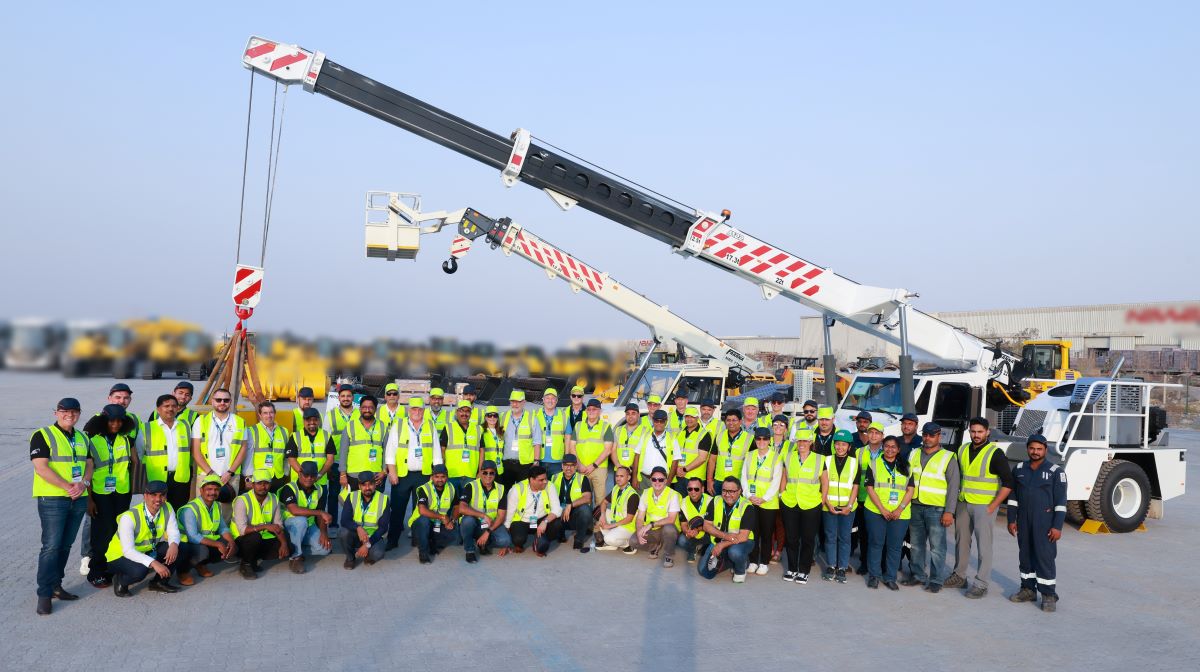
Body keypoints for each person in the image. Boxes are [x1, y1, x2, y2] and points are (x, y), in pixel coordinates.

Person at [31, 397, 92, 614]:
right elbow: (41, 468)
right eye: (65, 411)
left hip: (78, 498)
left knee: (66, 545)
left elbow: (90, 463)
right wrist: (68, 486)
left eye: (74, 411)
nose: (70, 415)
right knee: (51, 546)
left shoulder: (83, 437)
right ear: (56, 413)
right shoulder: (43, 435)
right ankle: (44, 593)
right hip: (53, 499)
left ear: (79, 414)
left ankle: (56, 585)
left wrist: (84, 483)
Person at [944, 417, 1014, 598]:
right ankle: (959, 576)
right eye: (973, 431)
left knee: (984, 546)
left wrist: (993, 506)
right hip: (963, 502)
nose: (976, 435)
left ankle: (981, 583)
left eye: (980, 432)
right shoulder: (962, 449)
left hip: (984, 506)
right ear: (969, 432)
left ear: (987, 432)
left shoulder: (995, 453)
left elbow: (1008, 483)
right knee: (961, 542)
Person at [1007, 434, 1066, 612]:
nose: (1035, 452)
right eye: (1032, 448)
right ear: (1027, 449)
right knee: (1025, 555)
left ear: (1046, 450)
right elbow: (1013, 498)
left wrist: (1057, 526)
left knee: (1044, 557)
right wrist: (1011, 519)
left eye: (1039, 449)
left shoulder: (1056, 472)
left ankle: (1048, 595)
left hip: (1045, 522)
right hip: (1023, 521)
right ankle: (1028, 589)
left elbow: (1061, 502)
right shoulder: (1019, 469)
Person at [82, 404, 137, 587]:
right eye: (112, 421)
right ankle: (96, 571)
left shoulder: (126, 439)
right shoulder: (92, 440)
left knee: (119, 531)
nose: (116, 424)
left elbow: (134, 463)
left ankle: (113, 567)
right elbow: (87, 470)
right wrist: (89, 499)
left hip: (122, 492)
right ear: (103, 421)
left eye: (120, 421)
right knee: (101, 533)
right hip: (100, 493)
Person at [903, 422, 959, 593]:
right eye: (925, 435)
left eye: (931, 435)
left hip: (936, 509)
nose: (927, 438)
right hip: (915, 505)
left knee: (937, 547)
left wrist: (949, 512)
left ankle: (936, 579)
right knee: (916, 545)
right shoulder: (914, 453)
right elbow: (906, 478)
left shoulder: (948, 457)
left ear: (939, 436)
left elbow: (953, 486)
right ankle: (918, 575)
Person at [384, 397, 445, 551]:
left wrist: (436, 474)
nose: (417, 412)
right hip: (402, 475)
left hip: (424, 475)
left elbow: (437, 452)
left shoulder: (430, 425)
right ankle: (392, 540)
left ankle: (418, 538)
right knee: (397, 509)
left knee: (420, 509)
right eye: (413, 409)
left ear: (424, 410)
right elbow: (390, 450)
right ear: (408, 410)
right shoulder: (399, 425)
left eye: (420, 409)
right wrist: (392, 472)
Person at [105, 480, 180, 598]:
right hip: (119, 555)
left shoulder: (167, 507)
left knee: (176, 549)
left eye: (162, 495)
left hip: (146, 550)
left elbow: (173, 531)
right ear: (145, 496)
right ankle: (120, 580)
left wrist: (174, 545)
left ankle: (158, 583)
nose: (158, 499)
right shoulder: (129, 517)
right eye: (153, 495)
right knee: (140, 571)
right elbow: (128, 551)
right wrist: (154, 563)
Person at [864, 435, 915, 590]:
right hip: (875, 511)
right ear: (882, 447)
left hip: (900, 514)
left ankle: (890, 577)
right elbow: (869, 488)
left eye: (893, 447)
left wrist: (899, 509)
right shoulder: (874, 464)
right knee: (876, 543)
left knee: (895, 546)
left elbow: (910, 490)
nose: (890, 449)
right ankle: (874, 576)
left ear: (898, 449)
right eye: (886, 446)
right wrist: (883, 509)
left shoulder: (906, 467)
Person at [780, 429, 824, 584]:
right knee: (791, 538)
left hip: (811, 504)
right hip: (790, 502)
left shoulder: (819, 459)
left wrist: (822, 500)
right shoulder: (788, 456)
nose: (802, 444)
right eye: (799, 441)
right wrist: (781, 495)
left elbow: (825, 481)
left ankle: (804, 571)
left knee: (808, 539)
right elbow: (784, 477)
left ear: (811, 442)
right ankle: (792, 569)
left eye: (805, 441)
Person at [176, 474, 235, 585]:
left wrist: (232, 542)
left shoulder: (216, 505)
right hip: (185, 544)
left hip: (203, 541)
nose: (213, 492)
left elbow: (223, 527)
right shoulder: (190, 509)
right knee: (203, 551)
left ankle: (200, 565)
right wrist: (218, 544)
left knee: (228, 544)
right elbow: (193, 537)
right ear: (201, 490)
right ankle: (183, 570)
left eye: (216, 489)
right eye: (209, 489)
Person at [190, 388, 245, 506]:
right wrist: (210, 473)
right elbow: (195, 451)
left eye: (226, 400)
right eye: (218, 400)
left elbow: (243, 449)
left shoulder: (240, 422)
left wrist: (230, 472)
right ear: (212, 401)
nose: (222, 403)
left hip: (230, 477)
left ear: (230, 402)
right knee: (204, 510)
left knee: (227, 512)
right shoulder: (201, 421)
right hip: (206, 475)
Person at [231, 471, 289, 580]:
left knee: (287, 542)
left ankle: (253, 560)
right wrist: (265, 526)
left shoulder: (274, 498)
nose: (263, 487)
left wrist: (284, 544)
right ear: (253, 485)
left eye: (266, 483)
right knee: (254, 538)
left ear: (270, 484)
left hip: (261, 536)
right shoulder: (242, 500)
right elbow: (242, 530)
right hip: (241, 540)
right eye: (259, 483)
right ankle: (246, 564)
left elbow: (278, 526)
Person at [698, 476, 756, 583]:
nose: (727, 494)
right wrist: (725, 536)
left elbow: (743, 536)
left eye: (732, 491)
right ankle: (733, 561)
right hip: (719, 540)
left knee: (735, 552)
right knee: (705, 572)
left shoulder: (747, 506)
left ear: (739, 491)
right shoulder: (716, 500)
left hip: (742, 542)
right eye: (724, 490)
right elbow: (706, 526)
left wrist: (722, 545)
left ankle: (740, 569)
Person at [741, 426, 783, 575]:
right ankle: (753, 561)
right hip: (751, 501)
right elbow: (743, 477)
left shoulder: (776, 457)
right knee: (753, 533)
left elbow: (776, 481)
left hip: (768, 503)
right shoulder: (749, 455)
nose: (761, 441)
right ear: (755, 440)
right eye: (758, 438)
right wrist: (748, 495)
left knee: (766, 534)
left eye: (765, 439)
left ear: (769, 440)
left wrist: (764, 498)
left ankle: (764, 562)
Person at [820, 430, 859, 583]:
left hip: (847, 508)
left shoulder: (854, 462)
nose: (840, 447)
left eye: (843, 444)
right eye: (837, 444)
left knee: (845, 538)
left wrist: (849, 506)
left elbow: (855, 486)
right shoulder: (826, 460)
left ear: (849, 447)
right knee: (830, 537)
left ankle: (842, 567)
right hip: (829, 506)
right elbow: (822, 484)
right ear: (833, 445)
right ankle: (831, 565)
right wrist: (827, 503)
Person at [280, 462, 333, 573]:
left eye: (312, 475)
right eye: (306, 475)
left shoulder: (320, 490)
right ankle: (296, 557)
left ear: (316, 476)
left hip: (309, 526)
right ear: (299, 473)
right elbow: (294, 510)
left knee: (325, 549)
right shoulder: (289, 488)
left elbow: (321, 515)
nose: (309, 478)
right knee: (301, 521)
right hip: (290, 526)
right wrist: (320, 513)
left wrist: (324, 533)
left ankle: (294, 547)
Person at [457, 460, 512, 562]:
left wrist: (488, 532)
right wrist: (483, 515)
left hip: (491, 523)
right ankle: (470, 551)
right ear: (480, 472)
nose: (488, 475)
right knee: (467, 521)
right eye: (485, 472)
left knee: (505, 541)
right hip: (475, 522)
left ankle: (484, 542)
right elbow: (462, 508)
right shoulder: (471, 486)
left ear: (495, 474)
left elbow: (501, 516)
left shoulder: (501, 489)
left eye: (491, 473)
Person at [852, 421, 886, 573]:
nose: (873, 435)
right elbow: (854, 476)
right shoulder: (859, 452)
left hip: (880, 499)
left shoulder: (887, 452)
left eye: (877, 433)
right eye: (871, 432)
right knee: (864, 534)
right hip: (863, 498)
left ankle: (881, 564)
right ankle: (864, 563)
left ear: (882, 436)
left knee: (879, 535)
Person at [506, 466, 563, 556]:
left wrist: (545, 521)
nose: (545, 482)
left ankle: (541, 540)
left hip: (541, 520)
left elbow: (557, 509)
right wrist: (506, 539)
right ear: (532, 480)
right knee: (518, 539)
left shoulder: (550, 486)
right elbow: (509, 512)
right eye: (541, 480)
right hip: (522, 521)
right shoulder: (517, 489)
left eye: (545, 478)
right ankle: (519, 544)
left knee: (556, 525)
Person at [409, 464, 460, 564]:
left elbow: (457, 506)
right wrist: (442, 517)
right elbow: (422, 510)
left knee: (456, 536)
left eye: (443, 477)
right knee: (424, 520)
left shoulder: (451, 488)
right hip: (420, 524)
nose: (440, 479)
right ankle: (423, 553)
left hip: (438, 524)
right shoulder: (424, 488)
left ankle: (431, 542)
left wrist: (452, 521)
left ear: (447, 477)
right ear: (432, 477)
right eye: (437, 477)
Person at [340, 472, 390, 569]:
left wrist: (367, 544)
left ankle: (367, 553)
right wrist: (358, 528)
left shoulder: (384, 499)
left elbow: (383, 527)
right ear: (359, 486)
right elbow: (344, 520)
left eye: (370, 484)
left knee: (378, 553)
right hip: (356, 534)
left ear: (375, 484)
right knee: (343, 532)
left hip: (373, 536)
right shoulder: (351, 496)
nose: (367, 488)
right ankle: (350, 558)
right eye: (364, 485)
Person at [634, 466, 681, 567]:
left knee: (669, 529)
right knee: (633, 541)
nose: (657, 482)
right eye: (654, 479)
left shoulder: (673, 494)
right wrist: (639, 532)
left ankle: (669, 555)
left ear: (666, 481)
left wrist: (651, 525)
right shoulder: (646, 493)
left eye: (661, 479)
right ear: (650, 480)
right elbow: (640, 518)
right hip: (653, 530)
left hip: (668, 528)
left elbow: (671, 519)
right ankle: (655, 546)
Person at [325, 383, 359, 520]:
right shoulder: (330, 415)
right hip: (336, 461)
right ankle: (333, 523)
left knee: (354, 494)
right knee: (334, 493)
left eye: (348, 396)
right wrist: (328, 464)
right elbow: (326, 440)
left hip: (355, 461)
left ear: (353, 398)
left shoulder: (359, 413)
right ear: (338, 398)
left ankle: (352, 521)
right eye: (343, 396)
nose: (346, 398)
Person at [339, 394, 386, 492]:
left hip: (375, 476)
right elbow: (343, 452)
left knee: (376, 501)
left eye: (370, 407)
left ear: (375, 409)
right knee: (353, 501)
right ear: (360, 408)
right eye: (364, 407)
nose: (367, 410)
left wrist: (384, 471)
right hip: (353, 476)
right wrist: (342, 474)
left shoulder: (382, 426)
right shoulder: (350, 425)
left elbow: (387, 451)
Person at [569, 398, 614, 500]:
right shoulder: (578, 425)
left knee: (600, 500)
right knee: (582, 500)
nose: (591, 411)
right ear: (586, 411)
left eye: (594, 409)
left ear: (600, 411)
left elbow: (608, 450)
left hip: (599, 469)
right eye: (589, 409)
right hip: (581, 468)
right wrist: (579, 465)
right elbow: (572, 446)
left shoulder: (606, 427)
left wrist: (593, 465)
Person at [550, 454, 593, 553]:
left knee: (585, 510)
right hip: (559, 512)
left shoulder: (582, 478)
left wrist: (570, 505)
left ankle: (579, 539)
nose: (568, 468)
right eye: (566, 465)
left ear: (576, 466)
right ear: (562, 466)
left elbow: (587, 498)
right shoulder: (553, 477)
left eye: (572, 465)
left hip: (574, 513)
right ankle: (560, 533)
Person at [245, 400, 291, 492]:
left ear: (275, 413)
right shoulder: (252, 431)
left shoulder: (284, 431)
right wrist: (248, 477)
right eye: (265, 413)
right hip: (260, 478)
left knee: (276, 500)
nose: (269, 416)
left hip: (278, 476)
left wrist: (286, 473)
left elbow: (286, 455)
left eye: (271, 412)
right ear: (260, 415)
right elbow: (248, 457)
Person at [285, 408, 336, 489]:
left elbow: (330, 459)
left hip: (320, 482)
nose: (312, 422)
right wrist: (304, 477)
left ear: (319, 421)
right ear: (303, 421)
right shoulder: (295, 436)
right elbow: (291, 459)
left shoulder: (326, 435)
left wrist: (319, 475)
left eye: (315, 420)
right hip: (299, 483)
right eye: (308, 420)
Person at [501, 390, 543, 487]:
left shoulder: (532, 418)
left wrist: (536, 461)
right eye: (512, 401)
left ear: (524, 402)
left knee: (524, 491)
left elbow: (537, 442)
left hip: (525, 465)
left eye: (518, 402)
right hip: (507, 463)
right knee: (507, 491)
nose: (515, 404)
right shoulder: (503, 416)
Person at [595, 465, 639, 552]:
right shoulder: (616, 488)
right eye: (617, 476)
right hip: (616, 520)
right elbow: (604, 502)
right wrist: (603, 516)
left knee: (608, 539)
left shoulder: (632, 495)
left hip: (627, 526)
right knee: (597, 511)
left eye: (621, 476)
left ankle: (627, 543)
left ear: (628, 477)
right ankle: (614, 541)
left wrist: (609, 526)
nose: (618, 479)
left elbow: (629, 519)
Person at [708, 408, 752, 496]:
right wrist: (709, 480)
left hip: (738, 482)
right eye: (728, 420)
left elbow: (752, 465)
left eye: (734, 420)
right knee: (718, 504)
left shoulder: (749, 438)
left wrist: (747, 484)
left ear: (740, 421)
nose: (731, 423)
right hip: (719, 480)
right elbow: (712, 459)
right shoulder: (719, 436)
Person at [671, 407, 712, 496]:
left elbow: (702, 458)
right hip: (679, 476)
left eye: (692, 417)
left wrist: (685, 469)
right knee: (680, 502)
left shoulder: (704, 434)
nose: (689, 419)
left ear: (697, 418)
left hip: (695, 479)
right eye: (687, 416)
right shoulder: (680, 432)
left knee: (694, 502)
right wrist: (676, 469)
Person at [445, 399, 483, 491]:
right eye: (461, 411)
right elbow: (442, 450)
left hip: (471, 474)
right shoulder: (448, 427)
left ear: (471, 413)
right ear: (457, 412)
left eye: (467, 411)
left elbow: (482, 451)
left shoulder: (478, 429)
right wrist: (442, 471)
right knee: (452, 499)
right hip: (452, 474)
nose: (464, 414)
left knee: (469, 499)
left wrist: (480, 471)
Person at [639, 410, 678, 489]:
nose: (659, 423)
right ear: (653, 421)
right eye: (656, 421)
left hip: (662, 482)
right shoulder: (645, 436)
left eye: (662, 421)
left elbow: (675, 461)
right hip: (644, 479)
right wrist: (635, 478)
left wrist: (668, 482)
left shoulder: (672, 438)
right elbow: (637, 455)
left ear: (666, 422)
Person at [676, 477, 711, 563]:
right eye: (690, 489)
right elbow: (683, 524)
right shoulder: (683, 502)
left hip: (708, 533)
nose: (693, 492)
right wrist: (687, 532)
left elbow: (714, 525)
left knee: (714, 539)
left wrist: (697, 529)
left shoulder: (711, 501)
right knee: (681, 541)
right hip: (692, 534)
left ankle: (701, 548)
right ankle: (695, 548)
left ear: (702, 489)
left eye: (696, 489)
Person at [537, 388, 569, 477]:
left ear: (556, 400)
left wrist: (566, 458)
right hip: (539, 460)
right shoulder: (535, 415)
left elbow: (567, 438)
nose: (550, 401)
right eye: (547, 398)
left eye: (553, 398)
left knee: (556, 485)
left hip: (557, 461)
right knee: (540, 485)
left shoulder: (564, 416)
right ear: (543, 400)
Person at [612, 403, 645, 483]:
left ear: (638, 415)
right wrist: (618, 466)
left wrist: (633, 468)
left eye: (633, 413)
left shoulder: (644, 431)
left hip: (635, 472)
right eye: (628, 414)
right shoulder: (618, 430)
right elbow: (613, 450)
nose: (630, 416)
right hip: (619, 471)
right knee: (618, 491)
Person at [481, 405, 505, 480]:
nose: (492, 418)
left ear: (497, 417)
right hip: (487, 468)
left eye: (495, 415)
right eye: (489, 415)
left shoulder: (501, 432)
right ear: (485, 417)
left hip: (499, 468)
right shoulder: (481, 431)